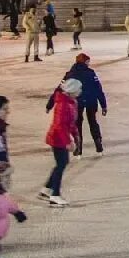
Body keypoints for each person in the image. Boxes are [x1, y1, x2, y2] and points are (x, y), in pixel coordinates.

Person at [48, 53, 108, 155]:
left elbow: (59, 89)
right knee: (93, 122)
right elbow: (98, 89)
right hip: (90, 101)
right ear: (85, 62)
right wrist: (103, 105)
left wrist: (50, 104)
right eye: (88, 62)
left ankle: (78, 149)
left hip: (77, 102)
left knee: (77, 125)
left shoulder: (70, 74)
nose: (89, 64)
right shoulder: (90, 73)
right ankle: (99, 146)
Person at [41, 78, 80, 206]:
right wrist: (68, 142)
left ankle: (47, 189)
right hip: (57, 138)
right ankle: (55, 195)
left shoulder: (71, 102)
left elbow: (72, 122)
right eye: (78, 89)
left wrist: (75, 135)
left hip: (61, 137)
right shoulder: (63, 104)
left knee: (62, 163)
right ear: (71, 91)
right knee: (61, 164)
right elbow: (59, 125)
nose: (80, 91)